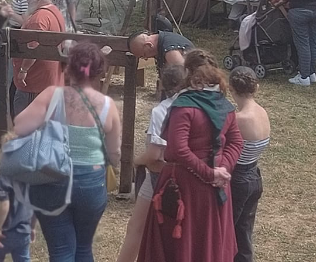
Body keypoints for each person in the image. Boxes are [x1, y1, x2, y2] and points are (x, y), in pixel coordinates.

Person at [13, 41, 122, 262]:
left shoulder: (52, 95)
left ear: (69, 67)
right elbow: (114, 154)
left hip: (52, 178)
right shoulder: (108, 106)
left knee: (61, 250)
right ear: (99, 72)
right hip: (91, 181)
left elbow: (19, 127)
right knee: (83, 247)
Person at [138, 50, 244, 262]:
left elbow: (177, 149)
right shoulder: (225, 106)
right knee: (208, 245)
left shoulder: (184, 107)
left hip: (186, 186)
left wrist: (211, 173)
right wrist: (221, 169)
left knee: (182, 246)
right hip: (216, 188)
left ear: (188, 72)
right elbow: (236, 142)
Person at [116, 65, 188, 262]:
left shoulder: (161, 110)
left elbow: (155, 155)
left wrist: (135, 161)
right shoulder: (195, 106)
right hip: (189, 176)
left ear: (163, 85)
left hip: (161, 175)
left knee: (136, 227)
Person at [229, 67, 271, 262]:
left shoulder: (238, 119)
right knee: (244, 231)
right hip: (255, 174)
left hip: (238, 179)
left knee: (227, 230)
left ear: (231, 89)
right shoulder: (262, 112)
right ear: (256, 87)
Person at [10, 0, 65, 118]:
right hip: (49, 81)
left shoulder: (39, 19)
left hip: (35, 83)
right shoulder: (54, 11)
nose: (27, 1)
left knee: (27, 127)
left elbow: (34, 49)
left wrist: (23, 70)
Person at [0, 156, 37, 262]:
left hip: (6, 232)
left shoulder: (4, 179)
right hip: (24, 231)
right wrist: (32, 227)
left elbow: (4, 205)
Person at [128, 30, 194, 79]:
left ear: (148, 45)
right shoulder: (163, 39)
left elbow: (183, 77)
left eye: (144, 55)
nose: (146, 59)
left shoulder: (170, 51)